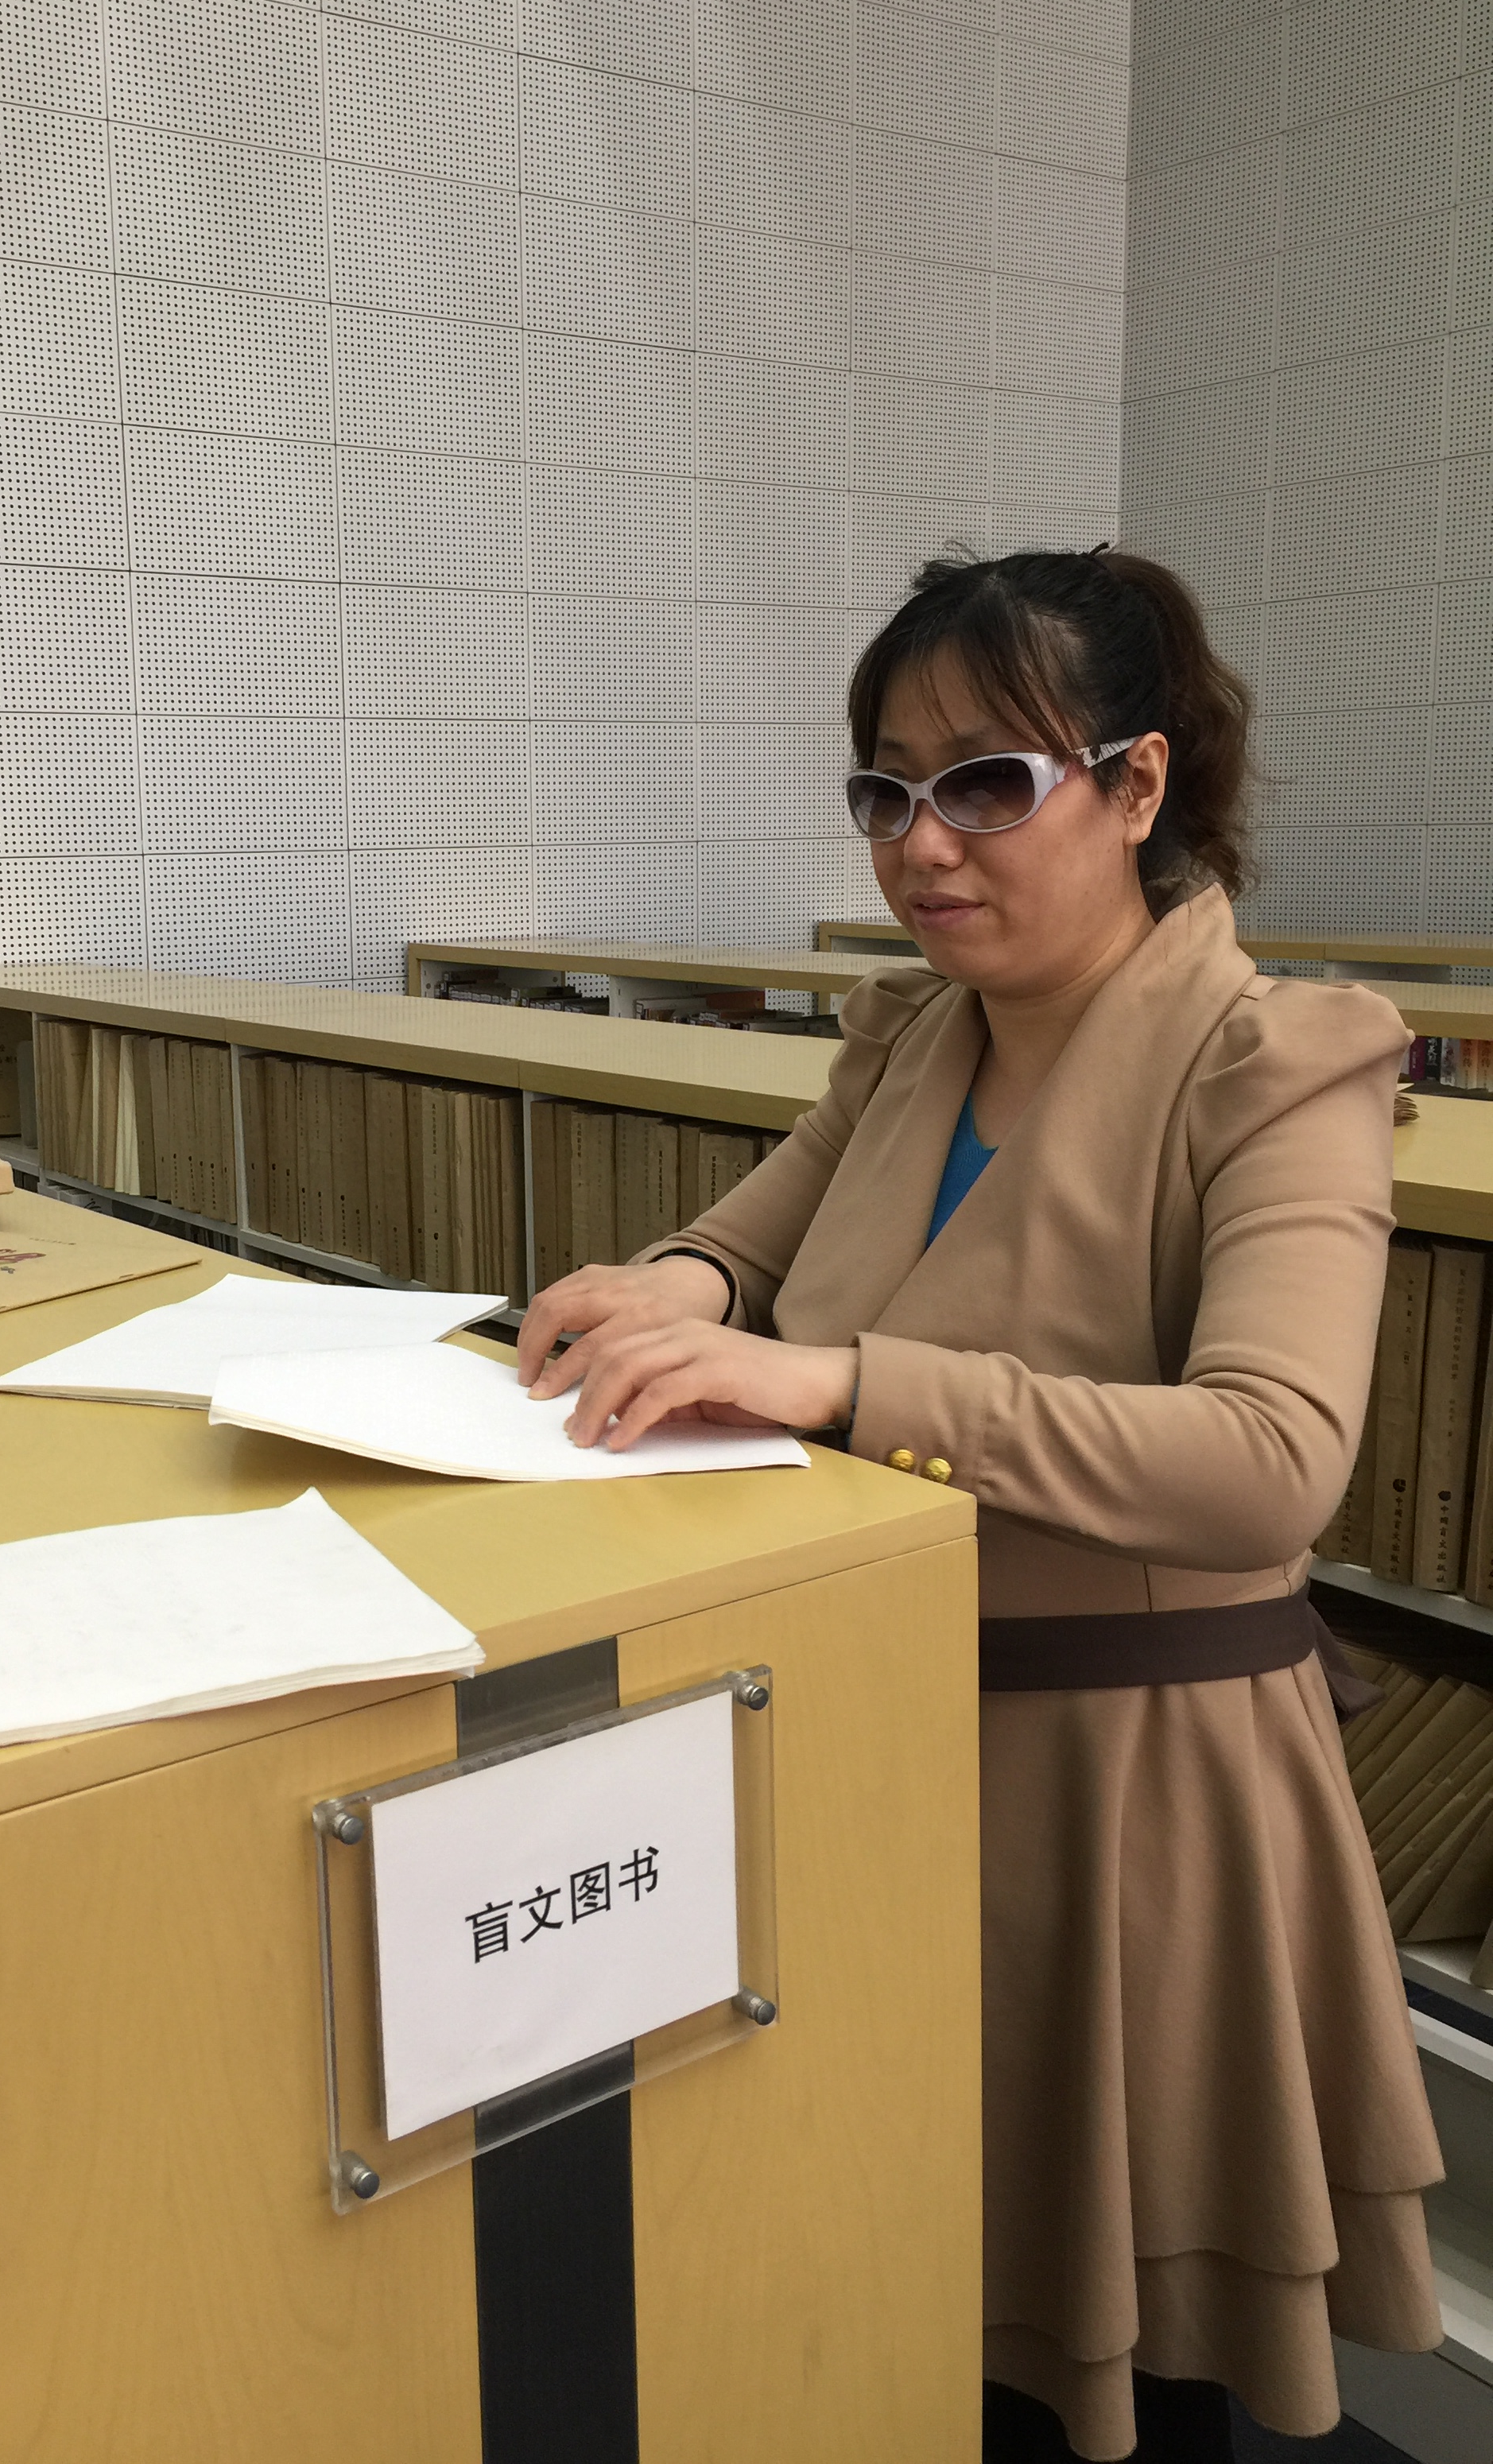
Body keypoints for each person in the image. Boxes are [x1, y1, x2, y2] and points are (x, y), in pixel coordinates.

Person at [516, 549, 1444, 2462]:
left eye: (987, 783)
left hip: (1126, 1797)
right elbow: (752, 1249)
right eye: (885, 790)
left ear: (1139, 783)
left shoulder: (1278, 1061)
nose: (921, 844)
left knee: (1118, 2351)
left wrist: (855, 1387)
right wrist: (671, 1288)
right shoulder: (911, 1041)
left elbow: (1272, 1457)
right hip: (872, 1733)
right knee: (889, 2292)